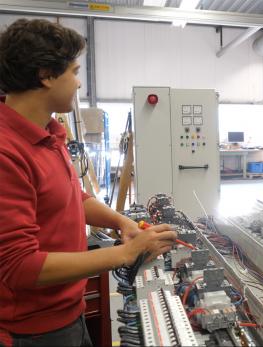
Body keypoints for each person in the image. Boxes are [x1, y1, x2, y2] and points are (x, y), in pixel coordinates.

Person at [0, 19, 177, 346]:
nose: (79, 83)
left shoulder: (49, 134)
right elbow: (20, 266)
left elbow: (73, 196)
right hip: (33, 331)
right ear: (46, 75)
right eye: (74, 71)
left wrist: (121, 222)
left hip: (68, 311)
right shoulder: (6, 152)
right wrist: (126, 254)